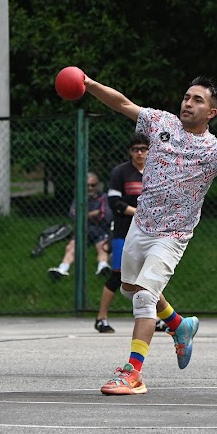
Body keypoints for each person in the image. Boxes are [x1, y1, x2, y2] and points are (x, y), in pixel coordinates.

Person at [82, 74, 217, 395]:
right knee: (131, 288)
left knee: (144, 297)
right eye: (187, 97)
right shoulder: (161, 123)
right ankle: (179, 326)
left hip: (172, 235)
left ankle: (133, 373)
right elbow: (122, 104)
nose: (188, 103)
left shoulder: (216, 150)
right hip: (141, 226)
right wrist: (89, 84)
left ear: (211, 112)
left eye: (197, 100)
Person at [94, 133, 150, 334]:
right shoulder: (121, 172)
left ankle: (155, 318)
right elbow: (114, 202)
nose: (140, 153)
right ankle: (101, 318)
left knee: (148, 277)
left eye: (143, 149)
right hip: (123, 231)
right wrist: (137, 213)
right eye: (135, 149)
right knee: (118, 275)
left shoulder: (155, 172)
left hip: (148, 233)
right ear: (130, 152)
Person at [47, 172, 113, 280]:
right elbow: (73, 215)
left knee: (103, 248)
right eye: (87, 185)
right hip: (83, 230)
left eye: (93, 185)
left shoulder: (104, 198)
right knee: (71, 248)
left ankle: (102, 267)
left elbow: (106, 215)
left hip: (100, 229)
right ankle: (62, 269)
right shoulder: (79, 198)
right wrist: (93, 213)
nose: (90, 188)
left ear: (97, 185)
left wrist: (83, 214)